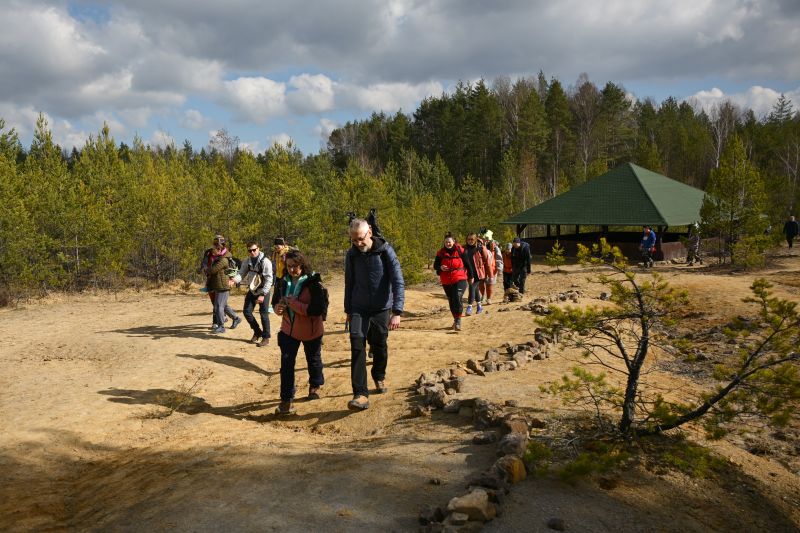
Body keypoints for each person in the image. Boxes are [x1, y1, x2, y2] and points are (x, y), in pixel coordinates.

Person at [344, 218, 405, 411]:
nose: (358, 244)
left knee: (379, 344)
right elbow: (349, 283)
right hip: (358, 307)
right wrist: (348, 310)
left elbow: (398, 281)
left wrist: (397, 311)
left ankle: (379, 375)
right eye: (354, 240)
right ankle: (360, 394)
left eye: (360, 239)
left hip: (381, 308)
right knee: (356, 344)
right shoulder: (351, 254)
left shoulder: (385, 251)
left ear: (369, 232)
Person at [272, 250, 326, 415]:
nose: (291, 270)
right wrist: (278, 308)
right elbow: (275, 302)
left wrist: (293, 304)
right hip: (288, 331)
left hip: (312, 331)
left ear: (303, 265)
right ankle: (286, 400)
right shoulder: (282, 282)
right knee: (286, 365)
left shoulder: (314, 283)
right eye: (288, 266)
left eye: (295, 266)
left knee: (314, 360)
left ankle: (314, 387)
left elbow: (317, 310)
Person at [232, 241, 273, 347]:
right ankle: (257, 331)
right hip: (252, 290)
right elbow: (241, 273)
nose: (252, 252)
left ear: (258, 249)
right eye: (250, 251)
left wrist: (263, 294)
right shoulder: (247, 261)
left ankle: (266, 337)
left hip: (264, 290)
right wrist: (234, 280)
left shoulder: (266, 262)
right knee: (247, 312)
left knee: (263, 314)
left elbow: (269, 280)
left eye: (254, 250)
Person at [434, 232, 475, 331]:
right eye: (446, 242)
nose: (448, 243)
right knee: (451, 300)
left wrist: (471, 276)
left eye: (449, 241)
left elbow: (468, 264)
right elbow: (435, 266)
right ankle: (455, 319)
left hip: (459, 277)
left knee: (457, 296)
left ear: (454, 241)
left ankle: (458, 320)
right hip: (446, 280)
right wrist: (440, 267)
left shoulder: (461, 251)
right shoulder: (440, 253)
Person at [206, 236, 241, 334]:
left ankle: (221, 326)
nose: (212, 252)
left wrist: (206, 269)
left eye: (214, 250)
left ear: (219, 249)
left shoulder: (223, 260)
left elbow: (213, 270)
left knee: (218, 306)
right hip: (219, 285)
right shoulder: (219, 258)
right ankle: (236, 318)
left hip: (223, 286)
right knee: (224, 305)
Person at [463, 232, 490, 315]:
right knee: (476, 290)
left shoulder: (480, 249)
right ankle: (479, 306)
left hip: (478, 273)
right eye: (468, 239)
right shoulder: (464, 249)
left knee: (472, 287)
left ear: (475, 240)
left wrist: (490, 274)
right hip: (469, 273)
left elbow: (487, 261)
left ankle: (469, 307)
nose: (470, 241)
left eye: (472, 239)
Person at [479, 229, 502, 306]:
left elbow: (499, 258)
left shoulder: (495, 246)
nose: (486, 240)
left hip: (492, 268)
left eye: (487, 238)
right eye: (484, 238)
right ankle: (482, 295)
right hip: (481, 268)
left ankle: (489, 298)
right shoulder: (479, 245)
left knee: (489, 284)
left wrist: (500, 268)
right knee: (481, 283)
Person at [270, 238, 291, 312]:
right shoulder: (275, 253)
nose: (276, 247)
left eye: (278, 245)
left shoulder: (286, 252)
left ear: (282, 245)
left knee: (284, 291)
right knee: (276, 291)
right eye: (275, 245)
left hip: (285, 275)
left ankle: (285, 306)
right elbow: (273, 262)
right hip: (278, 275)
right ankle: (275, 305)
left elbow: (288, 263)